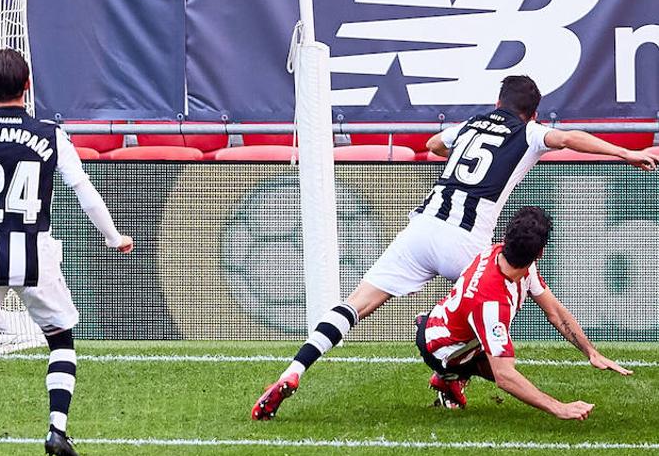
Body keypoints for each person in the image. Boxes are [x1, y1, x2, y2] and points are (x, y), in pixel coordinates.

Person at [253, 74, 656, 420]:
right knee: (506, 301)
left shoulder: (471, 124)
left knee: (353, 305)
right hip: (467, 241)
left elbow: (432, 145)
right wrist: (626, 152)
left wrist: (458, 149)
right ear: (532, 113)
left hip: (422, 227)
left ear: (497, 103)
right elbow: (567, 137)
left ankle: (295, 370)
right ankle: (450, 374)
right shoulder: (529, 133)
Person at [0, 48, 134, 456]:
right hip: (36, 250)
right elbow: (83, 189)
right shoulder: (50, 134)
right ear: (27, 86)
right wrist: (113, 236)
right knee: (60, 339)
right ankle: (56, 428)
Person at [417, 206, 630, 418]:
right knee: (505, 365)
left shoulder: (510, 256)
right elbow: (504, 377)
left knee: (504, 355)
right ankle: (449, 376)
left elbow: (554, 311)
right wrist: (559, 407)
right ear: (541, 252)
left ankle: (455, 371)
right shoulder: (491, 303)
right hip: (439, 347)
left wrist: (591, 352)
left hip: (450, 324)